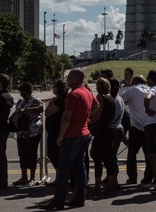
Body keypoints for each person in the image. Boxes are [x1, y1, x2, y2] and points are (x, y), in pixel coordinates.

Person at [44, 68, 99, 209]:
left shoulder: (73, 95)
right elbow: (96, 106)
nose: (67, 80)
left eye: (70, 77)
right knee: (80, 168)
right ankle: (80, 198)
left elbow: (66, 117)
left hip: (72, 136)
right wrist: (86, 118)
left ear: (77, 78)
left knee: (64, 170)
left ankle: (59, 200)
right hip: (84, 134)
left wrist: (61, 135)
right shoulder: (87, 92)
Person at [120, 71, 153, 186]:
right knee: (149, 154)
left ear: (134, 82)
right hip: (150, 125)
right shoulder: (151, 89)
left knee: (132, 153)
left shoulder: (132, 90)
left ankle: (132, 177)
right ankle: (148, 178)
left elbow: (121, 100)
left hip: (136, 126)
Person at [89, 78, 117, 196]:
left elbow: (98, 115)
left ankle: (97, 186)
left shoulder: (100, 97)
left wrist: (88, 122)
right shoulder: (112, 98)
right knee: (109, 158)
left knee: (97, 158)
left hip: (102, 130)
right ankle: (111, 185)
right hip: (111, 129)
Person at [12, 81, 43, 186]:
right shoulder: (20, 101)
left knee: (32, 154)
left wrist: (26, 110)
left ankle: (32, 178)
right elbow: (17, 112)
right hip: (21, 132)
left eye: (23, 92)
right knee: (22, 154)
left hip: (33, 132)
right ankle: (24, 177)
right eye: (21, 92)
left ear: (29, 91)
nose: (22, 94)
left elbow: (41, 109)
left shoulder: (35, 100)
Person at [44, 79, 68, 186]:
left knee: (54, 154)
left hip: (56, 132)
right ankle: (60, 177)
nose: (52, 88)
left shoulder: (58, 101)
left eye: (54, 86)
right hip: (55, 130)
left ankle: (60, 178)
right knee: (56, 154)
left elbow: (47, 112)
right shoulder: (62, 99)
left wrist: (50, 103)